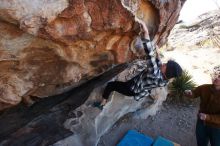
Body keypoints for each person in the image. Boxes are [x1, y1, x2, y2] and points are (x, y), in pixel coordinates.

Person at [94, 19, 182, 109]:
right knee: (149, 66)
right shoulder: (165, 80)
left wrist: (146, 32)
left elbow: (150, 54)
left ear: (165, 71)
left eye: (165, 65)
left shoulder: (155, 73)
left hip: (131, 88)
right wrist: (158, 53)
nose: (163, 64)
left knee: (111, 85)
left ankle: (102, 103)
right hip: (139, 87)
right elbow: (158, 62)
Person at [184, 65, 220, 146]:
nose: (216, 78)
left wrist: (208, 117)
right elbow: (194, 93)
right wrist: (190, 93)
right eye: (215, 75)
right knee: (201, 143)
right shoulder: (204, 88)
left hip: (217, 127)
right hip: (202, 122)